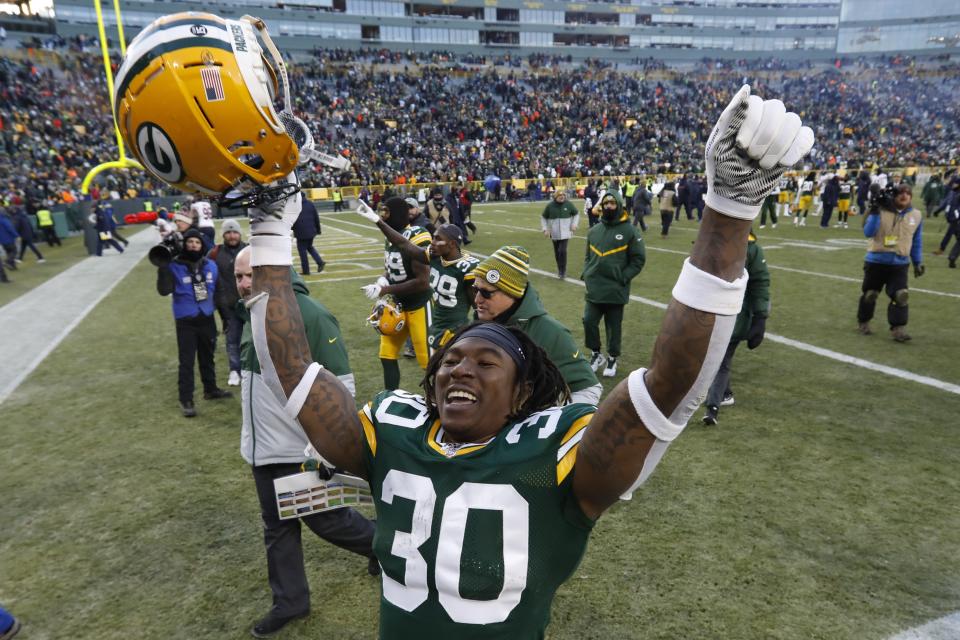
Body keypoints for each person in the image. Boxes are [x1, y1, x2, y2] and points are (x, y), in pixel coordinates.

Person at [240, 84, 812, 639]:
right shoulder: (393, 428)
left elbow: (670, 388)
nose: (459, 369)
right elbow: (292, 372)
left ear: (520, 395)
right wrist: (267, 233)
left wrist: (730, 209)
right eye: (451, 360)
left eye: (486, 362)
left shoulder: (551, 454)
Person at [233, 247, 378, 638]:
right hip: (263, 450)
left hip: (299, 448)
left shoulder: (308, 312)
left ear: (273, 275)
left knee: (327, 520)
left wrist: (326, 444)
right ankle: (290, 602)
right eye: (239, 277)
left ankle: (383, 548)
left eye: (251, 275)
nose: (244, 284)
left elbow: (341, 383)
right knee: (277, 527)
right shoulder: (253, 311)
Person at [466, 245, 603, 405]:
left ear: (512, 293)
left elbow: (589, 388)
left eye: (486, 292)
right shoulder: (478, 323)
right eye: (475, 289)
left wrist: (551, 422)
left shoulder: (549, 331)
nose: (477, 299)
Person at [366, 216, 480, 351]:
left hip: (455, 330)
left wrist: (476, 334)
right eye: (433, 237)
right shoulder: (435, 257)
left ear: (452, 244)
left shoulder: (467, 268)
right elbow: (404, 245)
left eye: (438, 239)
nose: (432, 242)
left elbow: (478, 306)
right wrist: (379, 222)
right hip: (437, 326)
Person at [156, 228, 232, 416]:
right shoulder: (174, 266)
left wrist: (225, 317)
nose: (193, 245)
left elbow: (220, 293)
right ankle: (186, 399)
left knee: (208, 357)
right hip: (186, 320)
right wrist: (163, 266)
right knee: (187, 361)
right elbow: (164, 290)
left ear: (201, 245)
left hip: (206, 318)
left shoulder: (210, 266)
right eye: (190, 242)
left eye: (197, 243)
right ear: (184, 244)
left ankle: (210, 389)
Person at [360, 197, 432, 389]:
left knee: (428, 361)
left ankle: (439, 404)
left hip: (419, 305)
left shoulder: (418, 234)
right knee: (386, 355)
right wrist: (383, 278)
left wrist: (384, 289)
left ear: (398, 213)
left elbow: (422, 282)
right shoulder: (390, 236)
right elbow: (393, 268)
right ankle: (389, 398)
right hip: (398, 305)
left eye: (386, 212)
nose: (383, 216)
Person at [702, 230, 770, 425]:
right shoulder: (712, 243)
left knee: (721, 360)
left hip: (735, 313)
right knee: (717, 356)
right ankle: (725, 393)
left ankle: (712, 408)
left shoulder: (752, 251)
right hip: (712, 310)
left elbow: (761, 283)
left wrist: (760, 317)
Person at [581, 192, 645, 378]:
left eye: (612, 203)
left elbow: (638, 260)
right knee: (588, 321)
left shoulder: (630, 231)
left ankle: (612, 357)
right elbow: (587, 257)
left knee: (613, 326)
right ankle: (595, 353)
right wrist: (587, 274)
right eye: (606, 203)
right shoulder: (594, 231)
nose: (608, 206)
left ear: (618, 205)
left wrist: (623, 278)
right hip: (595, 288)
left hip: (616, 290)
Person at [857, 183, 924, 342]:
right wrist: (873, 211)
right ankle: (864, 321)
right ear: (894, 195)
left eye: (908, 193)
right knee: (870, 294)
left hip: (900, 263)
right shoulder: (880, 209)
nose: (904, 195)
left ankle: (898, 328)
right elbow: (868, 232)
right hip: (876, 261)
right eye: (900, 192)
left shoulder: (916, 215)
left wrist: (917, 262)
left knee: (901, 296)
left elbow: (917, 241)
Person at [207, 219, 247, 386]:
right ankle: (234, 370)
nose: (232, 236)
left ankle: (251, 369)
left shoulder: (249, 250)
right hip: (228, 306)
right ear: (223, 235)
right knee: (232, 339)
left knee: (254, 339)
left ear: (240, 233)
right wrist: (219, 303)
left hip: (250, 303)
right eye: (228, 232)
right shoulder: (214, 254)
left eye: (235, 232)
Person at [541, 190, 579, 280]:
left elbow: (576, 214)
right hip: (554, 233)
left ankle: (563, 271)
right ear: (555, 197)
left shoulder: (569, 204)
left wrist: (574, 224)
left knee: (562, 251)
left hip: (566, 233)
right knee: (557, 252)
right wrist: (545, 229)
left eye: (563, 196)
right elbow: (543, 217)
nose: (562, 197)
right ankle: (560, 269)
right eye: (560, 196)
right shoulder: (550, 206)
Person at [292, 197, 325, 276]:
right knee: (309, 247)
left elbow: (292, 219)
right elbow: (316, 217)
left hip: (301, 232)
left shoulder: (294, 206)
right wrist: (318, 230)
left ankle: (306, 270)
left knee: (302, 251)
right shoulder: (310, 203)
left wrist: (291, 228)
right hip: (311, 231)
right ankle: (320, 262)